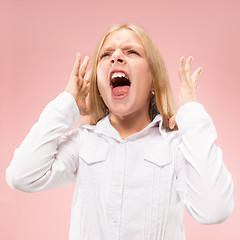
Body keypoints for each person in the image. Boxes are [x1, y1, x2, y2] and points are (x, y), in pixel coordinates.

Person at [6, 24, 234, 240]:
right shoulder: (83, 142)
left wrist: (191, 114)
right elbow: (22, 176)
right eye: (105, 55)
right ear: (99, 85)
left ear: (154, 81)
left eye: (132, 52)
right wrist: (68, 104)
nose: (116, 56)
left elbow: (215, 209)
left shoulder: (174, 146)